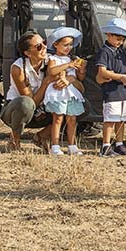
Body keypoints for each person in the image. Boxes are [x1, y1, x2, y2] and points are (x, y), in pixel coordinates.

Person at [0, 30, 67, 151]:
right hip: (18, 111)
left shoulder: (51, 61)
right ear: (28, 53)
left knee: (76, 105)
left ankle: (42, 137)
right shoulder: (18, 68)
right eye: (39, 46)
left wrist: (65, 79)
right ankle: (15, 140)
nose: (45, 47)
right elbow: (31, 102)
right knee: (25, 103)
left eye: (44, 43)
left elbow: (63, 72)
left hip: (43, 111)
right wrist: (46, 82)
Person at [95, 18, 126, 157]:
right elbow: (102, 71)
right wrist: (120, 77)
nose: (120, 42)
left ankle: (119, 144)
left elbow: (125, 68)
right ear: (109, 35)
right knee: (110, 119)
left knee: (121, 119)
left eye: (123, 39)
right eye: (118, 38)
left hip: (123, 91)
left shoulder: (121, 52)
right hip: (111, 91)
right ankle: (106, 145)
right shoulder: (104, 52)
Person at [44, 26, 87, 156]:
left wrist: (81, 69)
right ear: (56, 44)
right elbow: (51, 72)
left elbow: (80, 78)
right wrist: (68, 65)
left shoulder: (71, 59)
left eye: (70, 45)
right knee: (58, 118)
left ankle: (72, 145)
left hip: (71, 92)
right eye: (65, 45)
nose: (68, 48)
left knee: (72, 119)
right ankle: (55, 146)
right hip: (57, 93)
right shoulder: (53, 59)